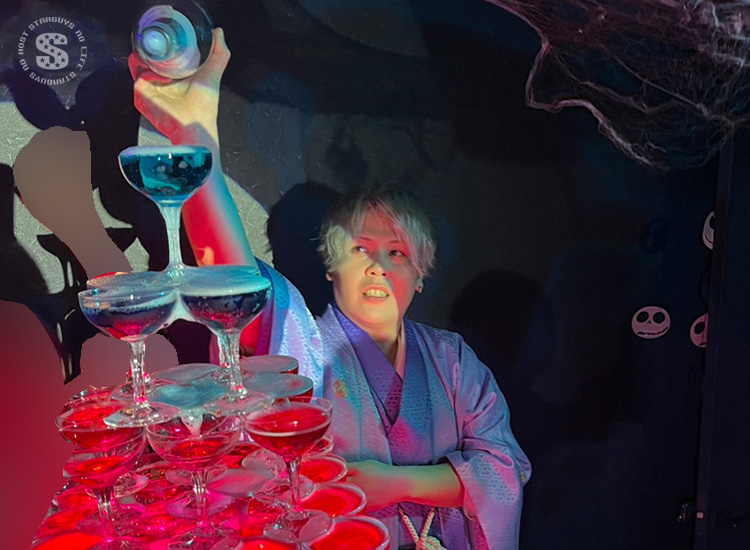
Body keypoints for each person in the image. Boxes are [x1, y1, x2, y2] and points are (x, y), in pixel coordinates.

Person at [130, 28, 530, 549]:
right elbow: (231, 280)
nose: (378, 267)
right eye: (361, 249)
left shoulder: (453, 361)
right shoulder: (303, 343)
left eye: (398, 254)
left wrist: (396, 483)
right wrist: (195, 135)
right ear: (331, 267)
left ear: (421, 274)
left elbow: (504, 467)